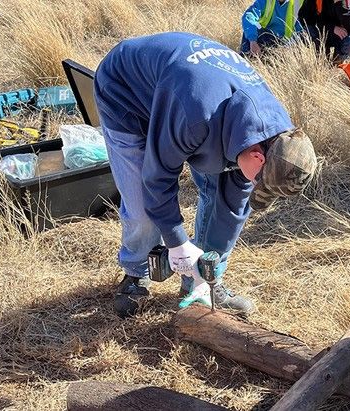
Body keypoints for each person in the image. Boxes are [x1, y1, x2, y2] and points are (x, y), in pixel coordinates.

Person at [94, 32, 317, 318]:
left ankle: (200, 285)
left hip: (183, 94)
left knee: (223, 195)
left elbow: (233, 205)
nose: (254, 186)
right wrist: (177, 241)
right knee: (140, 202)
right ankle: (136, 272)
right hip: (127, 89)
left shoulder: (276, 137)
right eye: (259, 181)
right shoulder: (197, 117)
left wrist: (209, 271)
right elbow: (156, 178)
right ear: (258, 157)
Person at [299, 0, 350, 64]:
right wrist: (331, 28)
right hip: (322, 32)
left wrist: (341, 5)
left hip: (343, 35)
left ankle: (336, 63)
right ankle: (322, 60)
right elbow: (304, 17)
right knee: (306, 33)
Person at [241, 0, 305, 57]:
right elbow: (249, 16)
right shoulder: (266, 1)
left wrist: (288, 48)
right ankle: (244, 62)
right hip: (262, 37)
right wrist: (252, 41)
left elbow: (301, 32)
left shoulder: (299, 4)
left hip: (283, 44)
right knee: (251, 30)